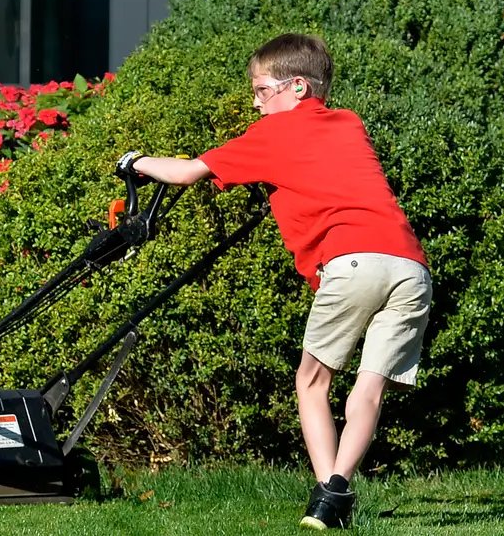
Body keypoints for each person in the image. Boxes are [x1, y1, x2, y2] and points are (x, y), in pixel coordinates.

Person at [115, 33, 433, 530]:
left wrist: (133, 162)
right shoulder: (350, 124)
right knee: (368, 391)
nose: (256, 101)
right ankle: (336, 492)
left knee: (312, 381)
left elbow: (184, 173)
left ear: (298, 87)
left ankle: (328, 495)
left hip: (350, 261)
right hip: (411, 268)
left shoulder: (275, 133)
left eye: (262, 90)